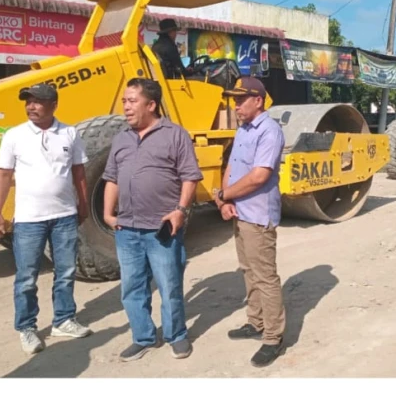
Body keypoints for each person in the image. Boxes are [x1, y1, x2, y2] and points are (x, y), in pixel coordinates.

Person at [103, 77, 202, 362]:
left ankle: (177, 335)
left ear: (151, 105)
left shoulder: (175, 134)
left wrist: (180, 211)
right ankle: (143, 337)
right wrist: (109, 214)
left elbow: (190, 176)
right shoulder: (121, 138)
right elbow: (111, 178)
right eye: (124, 101)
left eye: (132, 101)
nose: (126, 107)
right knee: (132, 287)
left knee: (169, 284)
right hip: (126, 229)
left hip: (161, 228)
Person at [0, 82, 91, 356]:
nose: (31, 107)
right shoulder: (14, 136)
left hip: (64, 217)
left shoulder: (69, 133)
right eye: (28, 102)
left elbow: (79, 172)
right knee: (26, 277)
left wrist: (83, 204)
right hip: (28, 220)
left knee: (67, 271)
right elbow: (2, 174)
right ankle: (26, 328)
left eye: (37, 102)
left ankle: (63, 320)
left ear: (54, 105)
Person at [213, 77, 286, 368]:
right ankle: (255, 323)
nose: (236, 105)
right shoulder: (243, 129)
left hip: (257, 216)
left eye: (240, 100)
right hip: (239, 211)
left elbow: (259, 176)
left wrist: (223, 194)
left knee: (265, 277)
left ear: (258, 100)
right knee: (248, 270)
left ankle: (273, 338)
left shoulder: (269, 131)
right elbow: (230, 166)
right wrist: (225, 200)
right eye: (233, 100)